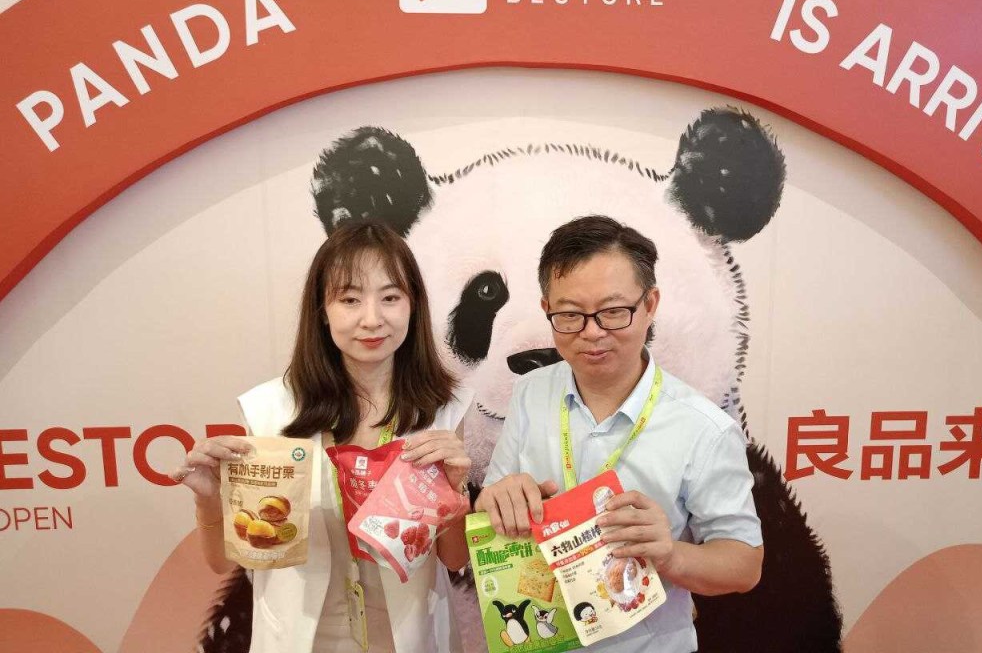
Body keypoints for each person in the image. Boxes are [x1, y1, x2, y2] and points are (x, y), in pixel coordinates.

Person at [173, 220, 471, 653]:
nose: (372, 319)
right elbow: (225, 561)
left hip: (410, 637)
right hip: (301, 639)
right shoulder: (272, 411)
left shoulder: (443, 409)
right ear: (322, 310)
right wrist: (208, 499)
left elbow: (454, 558)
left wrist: (456, 495)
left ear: (413, 306)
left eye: (390, 297)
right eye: (350, 299)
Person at [476, 215, 763, 653]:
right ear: (547, 309)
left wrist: (670, 554)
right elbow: (492, 502)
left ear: (650, 305)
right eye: (570, 315)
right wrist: (498, 499)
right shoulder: (531, 392)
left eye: (613, 312)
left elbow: (744, 564)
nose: (592, 332)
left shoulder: (703, 428)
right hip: (540, 636)